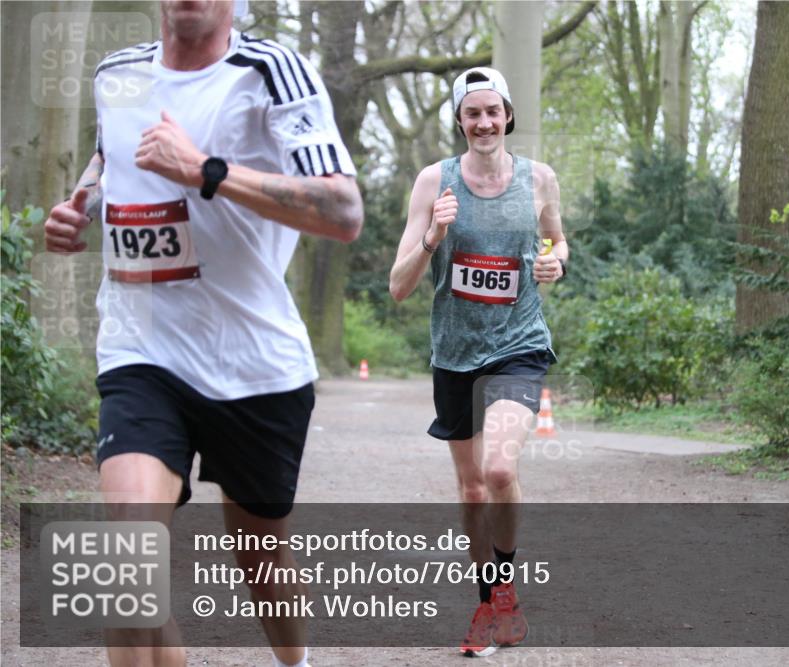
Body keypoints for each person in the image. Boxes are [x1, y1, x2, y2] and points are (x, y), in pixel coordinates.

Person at [43, 1, 362, 665]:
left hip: (252, 364)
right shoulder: (118, 75)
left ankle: (296, 661)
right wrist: (84, 207)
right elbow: (108, 160)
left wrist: (203, 169)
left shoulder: (274, 72)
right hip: (142, 348)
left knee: (261, 560)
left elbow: (343, 209)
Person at [389, 66, 568, 657]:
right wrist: (433, 238)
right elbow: (398, 286)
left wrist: (555, 261)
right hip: (455, 353)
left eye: (493, 111)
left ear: (508, 116)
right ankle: (488, 603)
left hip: (518, 345)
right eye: (473, 113)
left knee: (496, 471)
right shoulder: (434, 183)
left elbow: (556, 240)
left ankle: (505, 595)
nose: (484, 122)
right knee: (470, 491)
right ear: (461, 121)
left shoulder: (539, 180)